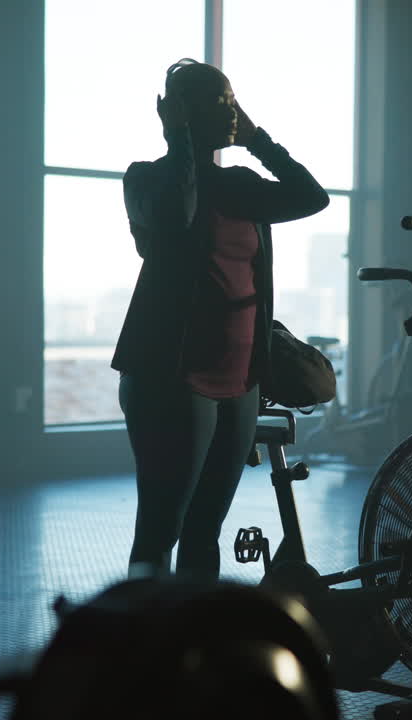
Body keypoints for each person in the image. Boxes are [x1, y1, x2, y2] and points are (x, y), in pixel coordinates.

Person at [113, 58, 329, 581]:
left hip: (240, 381)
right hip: (171, 377)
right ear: (181, 112)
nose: (231, 111)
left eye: (233, 100)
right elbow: (176, 214)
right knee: (162, 527)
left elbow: (311, 196)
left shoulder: (241, 183)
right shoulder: (146, 180)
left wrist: (258, 140)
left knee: (205, 528)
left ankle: (195, 647)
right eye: (218, 102)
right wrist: (178, 140)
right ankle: (142, 648)